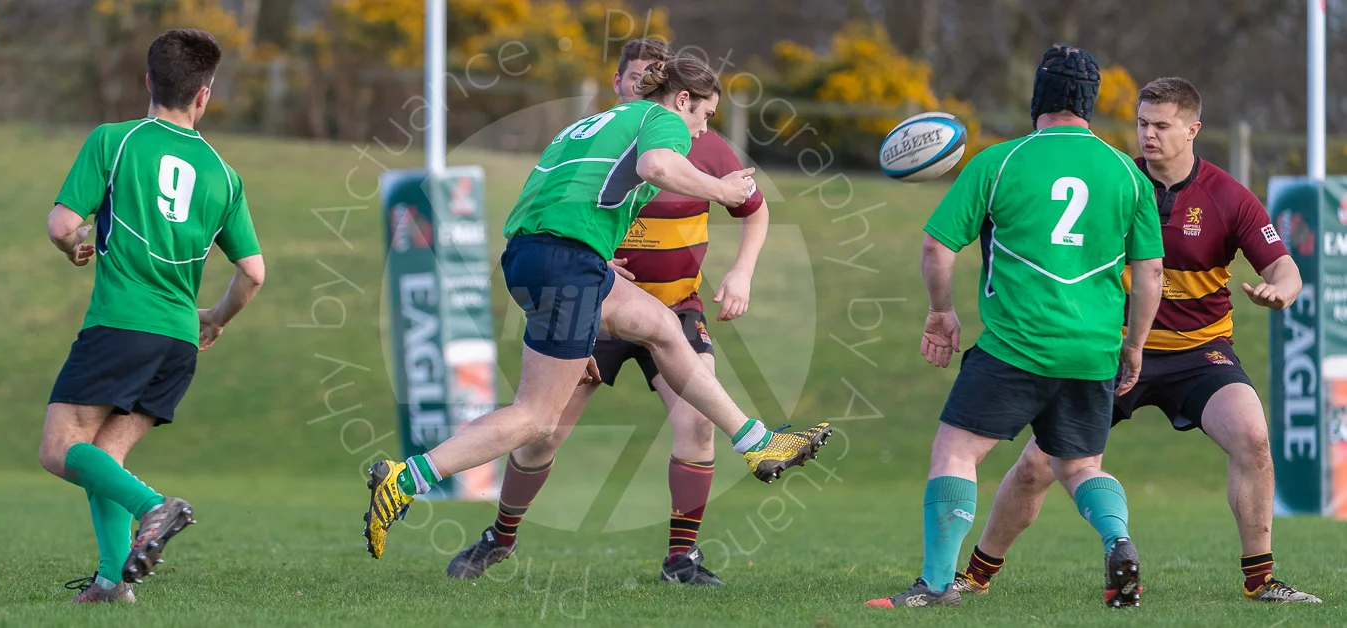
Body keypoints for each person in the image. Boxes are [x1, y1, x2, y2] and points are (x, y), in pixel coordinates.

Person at [362, 55, 831, 561]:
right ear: (681, 100)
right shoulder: (661, 121)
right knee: (536, 418)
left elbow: (553, 196)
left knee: (663, 328)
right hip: (567, 265)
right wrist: (720, 189)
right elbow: (656, 166)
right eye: (705, 115)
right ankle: (406, 478)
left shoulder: (590, 123)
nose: (702, 129)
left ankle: (758, 442)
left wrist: (591, 272)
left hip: (544, 258)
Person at [949, 77, 1319, 604]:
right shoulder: (1114, 179)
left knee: (1252, 438)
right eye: (1142, 123)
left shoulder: (1228, 196)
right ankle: (976, 574)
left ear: (1193, 130)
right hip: (1115, 351)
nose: (1148, 135)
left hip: (1199, 353)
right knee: (1036, 465)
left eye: (1162, 126)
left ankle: (1261, 579)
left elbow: (1285, 266)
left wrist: (1280, 290)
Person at [443, 39, 771, 585]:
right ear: (620, 83)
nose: (646, 87)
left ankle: (680, 560)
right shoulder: (600, 137)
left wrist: (741, 273)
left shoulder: (704, 144)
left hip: (676, 302)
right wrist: (583, 259)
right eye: (638, 78)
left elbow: (753, 211)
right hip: (594, 299)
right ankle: (499, 537)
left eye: (655, 79)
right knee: (543, 431)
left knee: (697, 424)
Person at [866, 45, 1164, 609]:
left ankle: (933, 587)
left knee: (955, 453)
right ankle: (1117, 538)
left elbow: (936, 246)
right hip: (1092, 350)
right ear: (1091, 104)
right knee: (1078, 467)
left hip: (1014, 346)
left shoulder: (998, 161)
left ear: (1038, 98)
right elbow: (1151, 272)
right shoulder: (1130, 174)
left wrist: (940, 312)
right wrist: (1134, 346)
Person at [37, 29, 265, 603]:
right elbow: (254, 273)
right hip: (178, 342)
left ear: (147, 81)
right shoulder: (224, 174)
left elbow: (63, 224)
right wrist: (214, 317)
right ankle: (114, 583)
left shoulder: (114, 140)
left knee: (60, 449)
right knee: (102, 458)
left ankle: (155, 508)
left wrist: (74, 246)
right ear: (203, 96)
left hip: (120, 324)